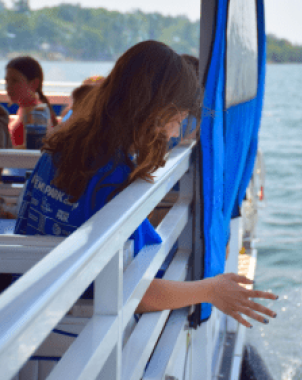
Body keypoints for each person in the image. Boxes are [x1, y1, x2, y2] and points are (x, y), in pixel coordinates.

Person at [14, 40, 277, 327]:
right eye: (180, 118)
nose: (177, 131)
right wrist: (211, 290)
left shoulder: (61, 147)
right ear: (157, 109)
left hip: (28, 294)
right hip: (76, 321)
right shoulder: (113, 177)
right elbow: (135, 292)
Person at [5, 56, 59, 148]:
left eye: (15, 81)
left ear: (34, 84)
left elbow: (33, 150)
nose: (8, 87)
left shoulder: (37, 115)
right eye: (7, 81)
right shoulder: (24, 109)